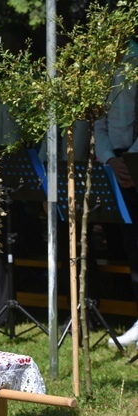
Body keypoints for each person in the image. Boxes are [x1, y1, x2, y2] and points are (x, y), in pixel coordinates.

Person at [95, 34, 138, 347]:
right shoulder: (101, 66)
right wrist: (110, 158)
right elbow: (98, 121)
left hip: (135, 154)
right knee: (131, 239)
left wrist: (132, 158)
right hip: (116, 160)